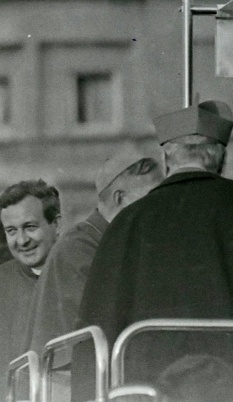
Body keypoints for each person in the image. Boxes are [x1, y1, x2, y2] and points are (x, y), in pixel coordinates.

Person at [73, 100, 233, 401]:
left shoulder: (129, 221)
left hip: (152, 390)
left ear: (166, 157)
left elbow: (99, 325)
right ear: (221, 157)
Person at [24, 144, 164, 359]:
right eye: (152, 198)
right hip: (68, 379)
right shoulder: (78, 248)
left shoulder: (115, 240)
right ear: (119, 199)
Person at [0, 180, 61, 402]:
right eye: (11, 231)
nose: (22, 240)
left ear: (56, 224)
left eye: (30, 227)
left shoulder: (79, 270)